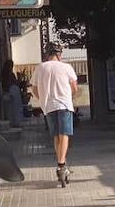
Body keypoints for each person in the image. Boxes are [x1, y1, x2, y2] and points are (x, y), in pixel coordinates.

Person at [30, 43, 79, 186]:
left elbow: (34, 89)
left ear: (47, 54)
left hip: (48, 106)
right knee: (64, 135)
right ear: (59, 54)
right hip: (64, 105)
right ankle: (62, 165)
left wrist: (43, 98)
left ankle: (61, 165)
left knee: (57, 136)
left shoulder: (40, 67)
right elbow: (74, 88)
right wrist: (69, 96)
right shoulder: (67, 67)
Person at [0, 59, 23, 128]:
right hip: (9, 93)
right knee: (11, 109)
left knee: (14, 109)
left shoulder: (10, 74)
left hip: (13, 92)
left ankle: (15, 122)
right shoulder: (5, 74)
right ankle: (13, 123)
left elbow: (15, 83)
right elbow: (7, 83)